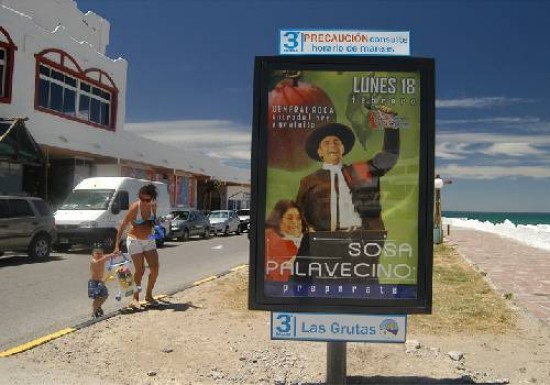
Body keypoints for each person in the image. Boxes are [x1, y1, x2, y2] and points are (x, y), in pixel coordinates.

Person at [296, 121, 399, 233]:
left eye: (336, 142)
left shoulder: (360, 170)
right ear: (319, 152)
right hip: (324, 241)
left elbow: (388, 158)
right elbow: (298, 213)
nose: (332, 145)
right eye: (326, 143)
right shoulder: (309, 181)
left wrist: (391, 124)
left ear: (343, 148)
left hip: (364, 238)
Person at [113, 184, 160, 308]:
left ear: (152, 199)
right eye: (142, 199)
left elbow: (152, 222)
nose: (144, 202)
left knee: (155, 269)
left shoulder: (153, 206)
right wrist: (116, 246)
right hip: (135, 241)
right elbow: (122, 225)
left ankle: (149, 295)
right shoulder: (135, 207)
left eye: (147, 200)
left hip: (149, 240)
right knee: (140, 270)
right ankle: (135, 299)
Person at [265, 200, 306, 282]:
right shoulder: (270, 241)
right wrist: (291, 263)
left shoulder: (305, 240)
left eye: (298, 218)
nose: (295, 223)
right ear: (278, 220)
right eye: (289, 218)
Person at [88, 242, 112, 318]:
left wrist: (116, 254)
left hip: (100, 282)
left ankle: (98, 307)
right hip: (93, 282)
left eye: (100, 253)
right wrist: (106, 257)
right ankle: (94, 312)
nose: (99, 255)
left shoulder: (103, 259)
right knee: (97, 297)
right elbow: (98, 262)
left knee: (105, 295)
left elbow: (110, 257)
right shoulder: (93, 261)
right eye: (97, 253)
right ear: (93, 254)